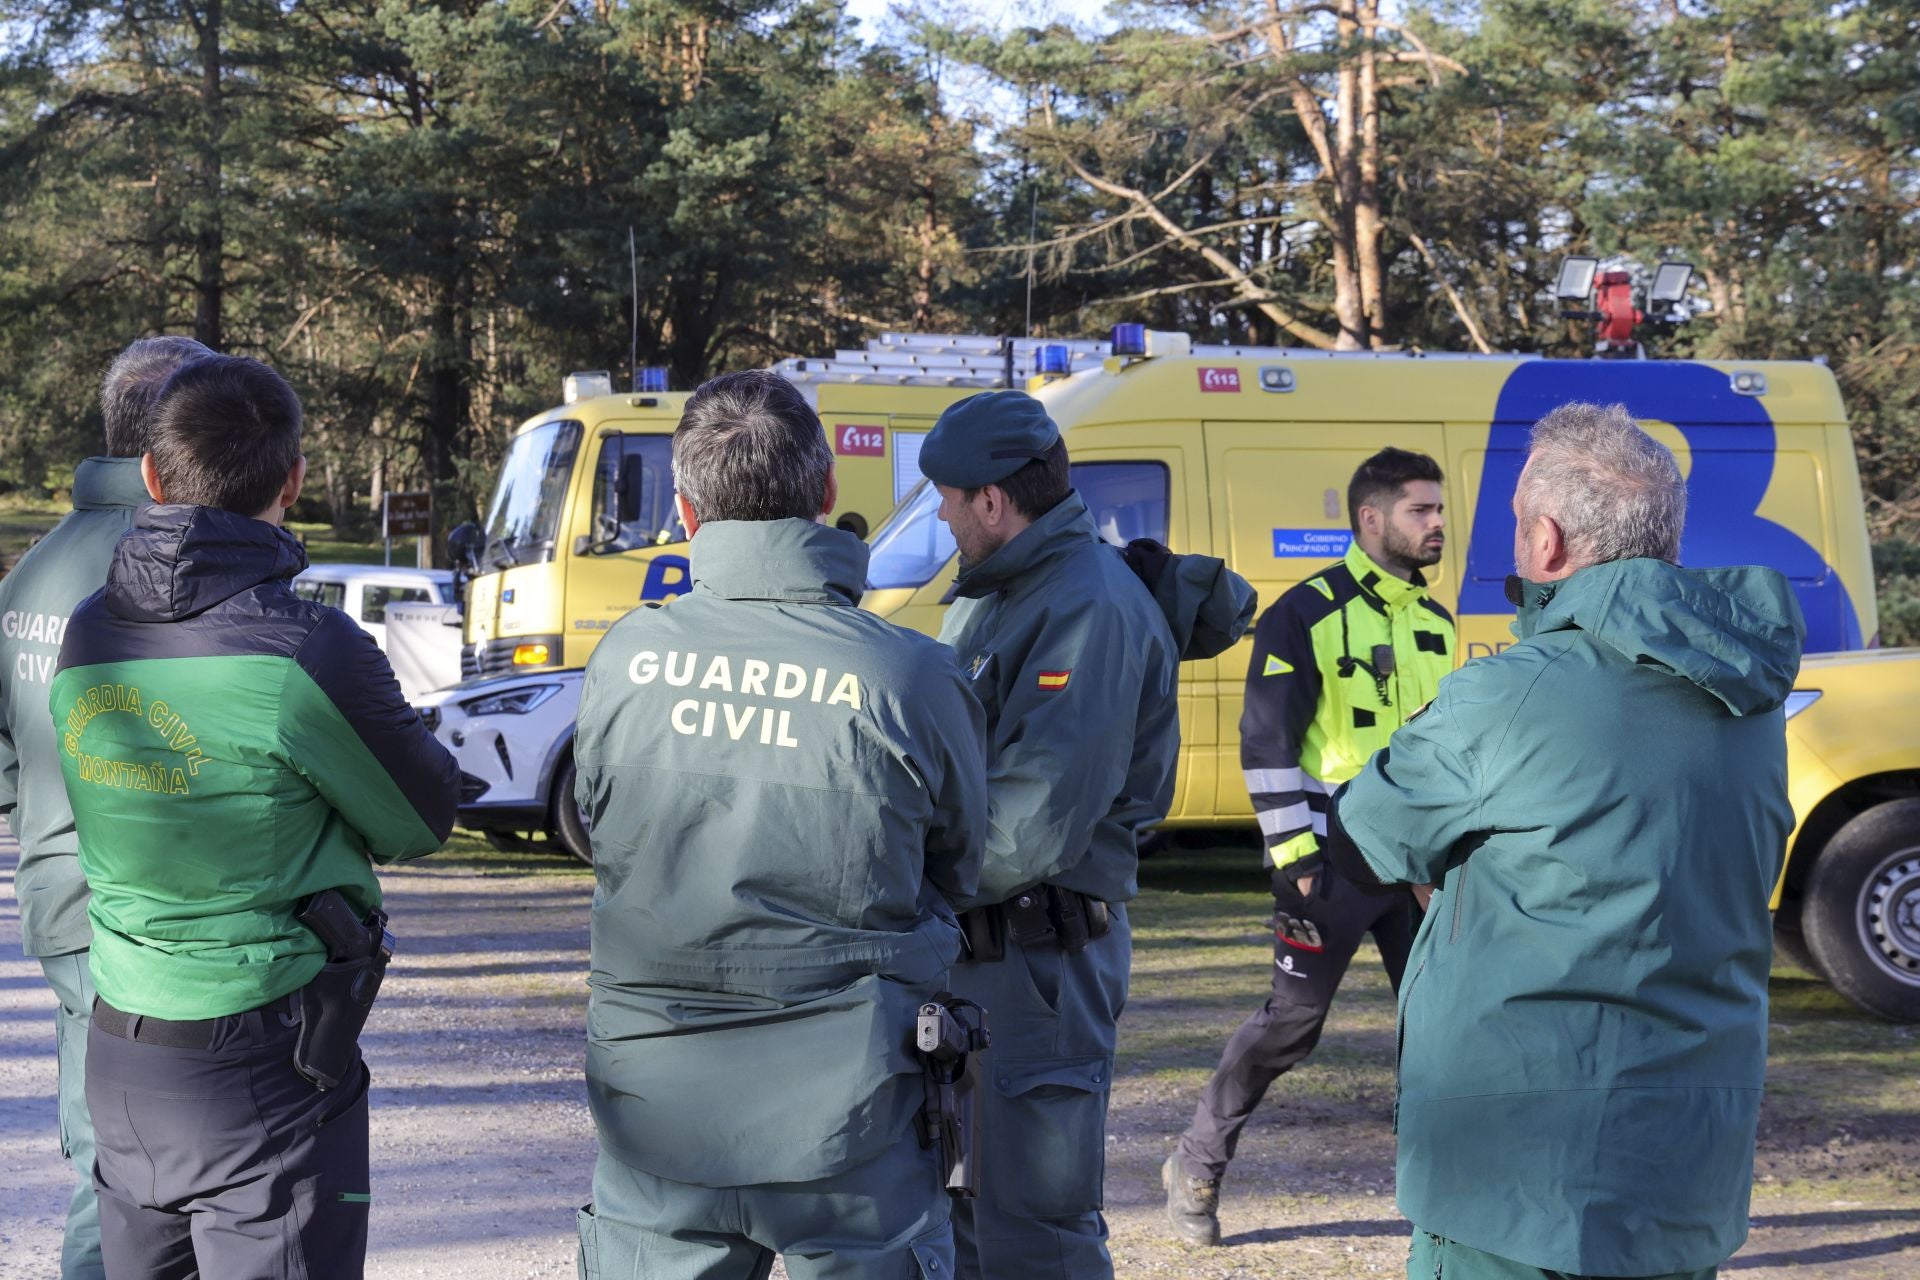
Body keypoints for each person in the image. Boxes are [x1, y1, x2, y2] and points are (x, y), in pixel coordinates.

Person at [1327, 403, 1803, 1279]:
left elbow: (1362, 835)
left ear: (1546, 541)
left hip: (1516, 1176)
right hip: (1690, 1168)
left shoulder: (1511, 691)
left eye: (1512, 523)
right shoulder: (1752, 701)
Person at [572, 370, 988, 1279]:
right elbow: (962, 862)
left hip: (658, 1101)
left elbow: (601, 829)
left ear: (687, 513)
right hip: (855, 1107)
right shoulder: (911, 676)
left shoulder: (626, 657)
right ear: (829, 494)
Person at [51, 353, 458, 1279]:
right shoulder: (307, 648)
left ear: (151, 478)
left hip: (120, 1048)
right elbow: (418, 817)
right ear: (295, 480)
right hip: (262, 1059)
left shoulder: (85, 633)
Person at [923, 389, 1255, 1280]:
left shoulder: (1087, 608)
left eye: (949, 498)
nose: (944, 515)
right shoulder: (1008, 591)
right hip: (987, 959)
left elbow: (1032, 820)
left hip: (1036, 966)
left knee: (1034, 1234)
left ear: (994, 500)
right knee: (968, 1221)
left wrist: (891, 885)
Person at [1164, 447, 1454, 1244]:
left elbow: (1442, 757)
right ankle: (1196, 1161)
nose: (1438, 524)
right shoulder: (1307, 610)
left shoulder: (1436, 623)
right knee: (1293, 1023)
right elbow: (1264, 742)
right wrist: (1295, 860)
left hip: (1416, 869)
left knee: (1442, 1025)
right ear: (1371, 518)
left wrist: (1442, 861)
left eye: (1439, 509)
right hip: (1326, 861)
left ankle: (1449, 1189)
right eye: (1421, 510)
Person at [0, 335, 212, 1280]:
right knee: (126, 1179)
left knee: (101, 1148)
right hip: (144, 914)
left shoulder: (30, 573)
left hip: (61, 900)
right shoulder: (167, 563)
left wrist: (44, 835)